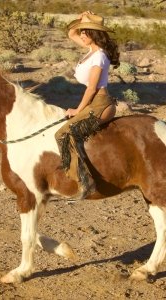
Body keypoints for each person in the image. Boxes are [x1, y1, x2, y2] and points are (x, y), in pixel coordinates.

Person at [55, 11, 120, 200]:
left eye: (85, 32)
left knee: (64, 133)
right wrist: (80, 19)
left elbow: (92, 88)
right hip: (94, 102)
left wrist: (78, 109)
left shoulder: (99, 55)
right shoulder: (91, 50)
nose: (81, 35)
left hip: (100, 103)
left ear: (94, 34)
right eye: (82, 31)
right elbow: (71, 34)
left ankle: (84, 182)